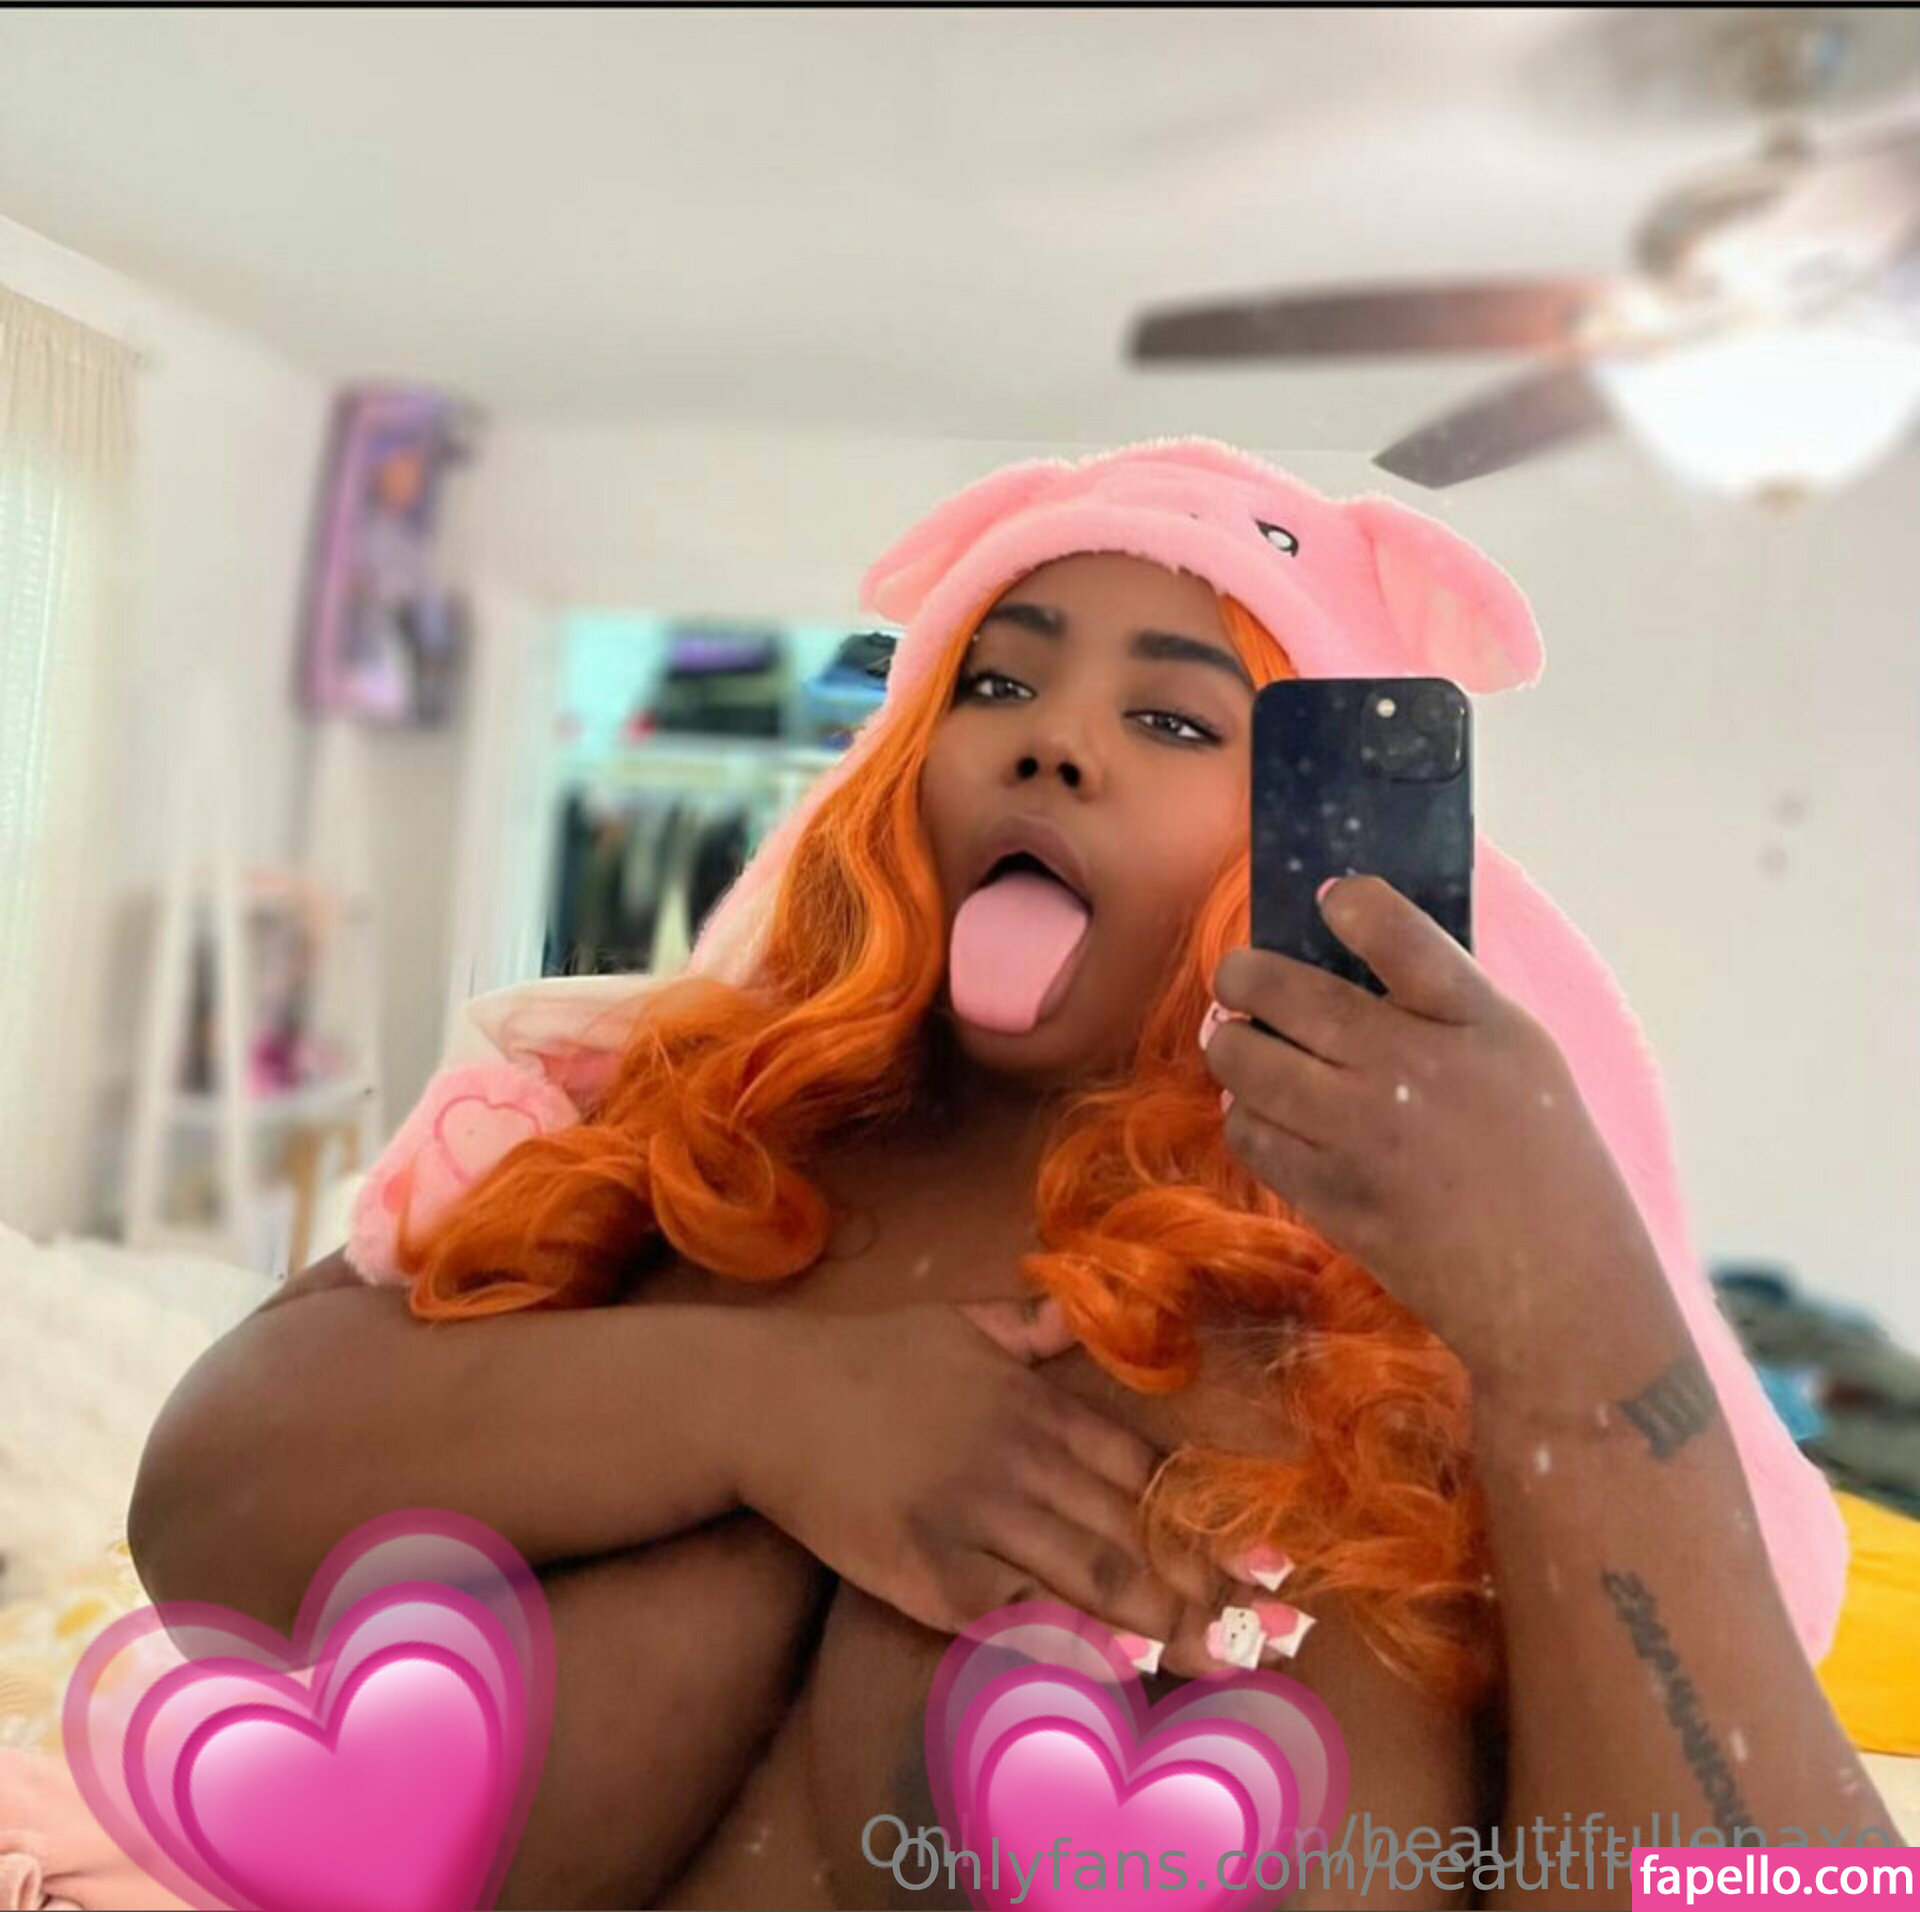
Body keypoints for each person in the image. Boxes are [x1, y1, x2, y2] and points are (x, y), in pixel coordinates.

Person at [130, 440, 1877, 1910]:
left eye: (1177, 720)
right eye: (998, 680)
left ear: (1310, 835)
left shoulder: (1408, 1326)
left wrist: (1578, 1329)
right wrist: (763, 1411)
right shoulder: (678, 1138)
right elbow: (203, 1509)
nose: (1053, 743)